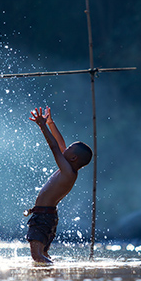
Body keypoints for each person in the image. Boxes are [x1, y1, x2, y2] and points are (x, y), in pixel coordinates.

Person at [26, 106, 93, 263]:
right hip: (47, 216)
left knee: (37, 256)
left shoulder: (68, 172)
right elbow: (60, 143)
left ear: (74, 158)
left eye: (69, 149)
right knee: (42, 254)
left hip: (43, 217)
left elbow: (55, 147)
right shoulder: (68, 168)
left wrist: (42, 126)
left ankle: (55, 271)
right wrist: (50, 123)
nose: (66, 148)